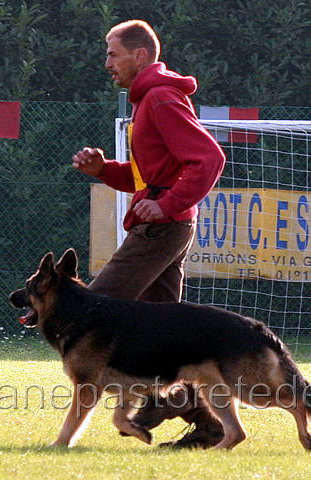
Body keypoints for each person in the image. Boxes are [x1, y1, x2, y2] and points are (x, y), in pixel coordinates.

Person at [72, 19, 226, 448]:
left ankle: (87, 425)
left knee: (88, 315)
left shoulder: (158, 98)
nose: (106, 63)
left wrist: (166, 205)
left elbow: (210, 158)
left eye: (112, 54)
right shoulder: (148, 101)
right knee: (164, 340)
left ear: (139, 56)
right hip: (165, 224)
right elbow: (151, 177)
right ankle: (207, 422)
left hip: (162, 227)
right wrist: (104, 170)